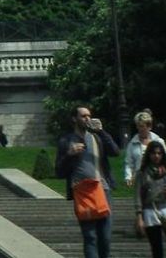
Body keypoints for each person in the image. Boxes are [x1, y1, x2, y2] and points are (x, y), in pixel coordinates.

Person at [56, 105, 120, 258]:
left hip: (102, 190)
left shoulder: (97, 137)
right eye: (83, 116)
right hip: (82, 192)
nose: (88, 119)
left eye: (89, 116)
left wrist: (101, 131)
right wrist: (69, 154)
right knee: (90, 237)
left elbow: (115, 152)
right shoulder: (66, 141)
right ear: (74, 119)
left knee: (105, 237)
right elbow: (59, 172)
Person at [135, 141, 166, 258]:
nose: (156, 156)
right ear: (149, 155)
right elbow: (138, 196)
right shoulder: (142, 173)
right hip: (150, 211)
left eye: (159, 153)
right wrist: (139, 217)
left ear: (163, 155)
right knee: (156, 249)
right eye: (153, 153)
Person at [124, 111, 166, 187]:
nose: (140, 129)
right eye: (138, 126)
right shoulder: (132, 144)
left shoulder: (159, 141)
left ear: (149, 127)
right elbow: (129, 163)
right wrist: (128, 177)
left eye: (143, 126)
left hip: (158, 178)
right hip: (140, 180)